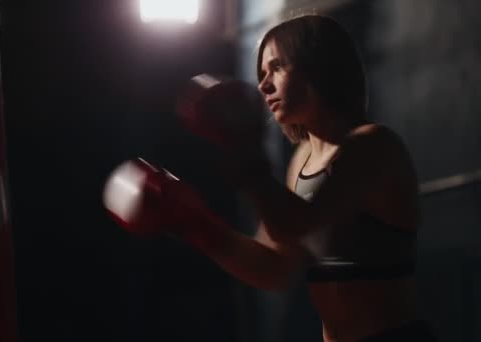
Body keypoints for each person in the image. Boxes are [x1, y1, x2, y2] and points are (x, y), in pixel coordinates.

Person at [104, 14, 437, 342]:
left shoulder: (373, 146)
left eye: (276, 67)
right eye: (261, 74)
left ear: (317, 66)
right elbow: (274, 268)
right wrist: (195, 223)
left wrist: (242, 149)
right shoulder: (302, 162)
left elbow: (298, 223)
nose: (263, 85)